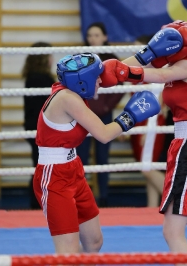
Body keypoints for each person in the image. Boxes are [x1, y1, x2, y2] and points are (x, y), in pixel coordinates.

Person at [100, 20, 187, 266]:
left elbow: (158, 75)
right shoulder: (177, 63)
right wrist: (109, 70)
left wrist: (126, 73)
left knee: (172, 231)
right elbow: (125, 68)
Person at [32, 51, 163, 255]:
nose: (101, 81)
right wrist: (131, 116)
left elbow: (115, 69)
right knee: (68, 252)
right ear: (82, 82)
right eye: (96, 78)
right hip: (54, 176)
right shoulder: (68, 99)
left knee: (94, 243)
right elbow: (103, 134)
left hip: (73, 169)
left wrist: (149, 53)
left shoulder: (75, 89)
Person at [77, 22, 124, 207]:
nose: (93, 39)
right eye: (90, 35)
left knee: (103, 156)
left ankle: (104, 196)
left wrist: (106, 107)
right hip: (83, 115)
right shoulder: (81, 58)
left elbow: (120, 87)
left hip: (104, 115)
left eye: (97, 35)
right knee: (80, 156)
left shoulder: (111, 59)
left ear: (104, 37)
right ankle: (81, 196)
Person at [130, 35, 173, 207]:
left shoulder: (157, 71)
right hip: (140, 123)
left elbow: (158, 104)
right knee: (150, 167)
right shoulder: (141, 71)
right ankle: (152, 207)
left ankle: (176, 201)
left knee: (147, 168)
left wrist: (147, 129)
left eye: (139, 49)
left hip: (151, 124)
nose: (135, 53)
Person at [21, 42, 56, 209]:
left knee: (40, 164)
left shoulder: (32, 76)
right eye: (50, 55)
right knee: (41, 166)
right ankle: (37, 202)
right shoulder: (42, 78)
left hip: (33, 126)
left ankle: (38, 202)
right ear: (44, 58)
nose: (52, 59)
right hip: (40, 128)